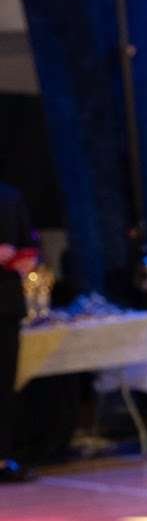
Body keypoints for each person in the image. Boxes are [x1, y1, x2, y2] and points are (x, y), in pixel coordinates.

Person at [0, 179, 37, 484]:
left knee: (4, 382)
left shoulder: (10, 196)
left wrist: (24, 259)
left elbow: (29, 245)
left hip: (6, 304)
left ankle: (3, 456)